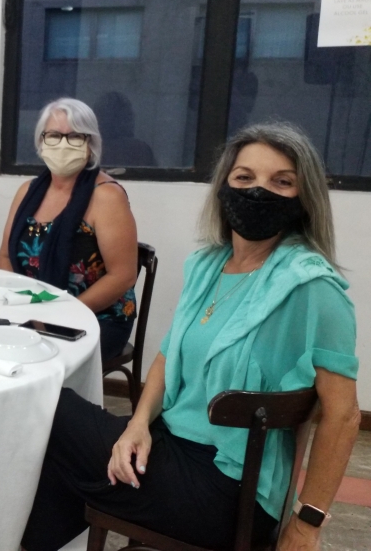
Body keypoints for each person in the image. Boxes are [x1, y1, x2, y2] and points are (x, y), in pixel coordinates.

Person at [21, 123, 361, 551]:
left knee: (42, 404)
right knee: (66, 459)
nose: (259, 191)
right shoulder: (208, 266)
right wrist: (137, 426)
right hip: (167, 446)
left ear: (303, 197)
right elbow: (167, 357)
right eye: (244, 177)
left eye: (282, 181)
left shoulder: (311, 286)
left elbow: (343, 416)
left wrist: (308, 523)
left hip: (230, 488)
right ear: (224, 187)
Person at [0, 97, 138, 360]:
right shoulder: (27, 191)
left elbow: (123, 276)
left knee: (40, 359)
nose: (63, 144)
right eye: (53, 135)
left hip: (96, 317)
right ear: (41, 141)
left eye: (74, 136)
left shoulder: (107, 196)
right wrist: (19, 304)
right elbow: (6, 256)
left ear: (90, 144)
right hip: (31, 311)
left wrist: (62, 312)